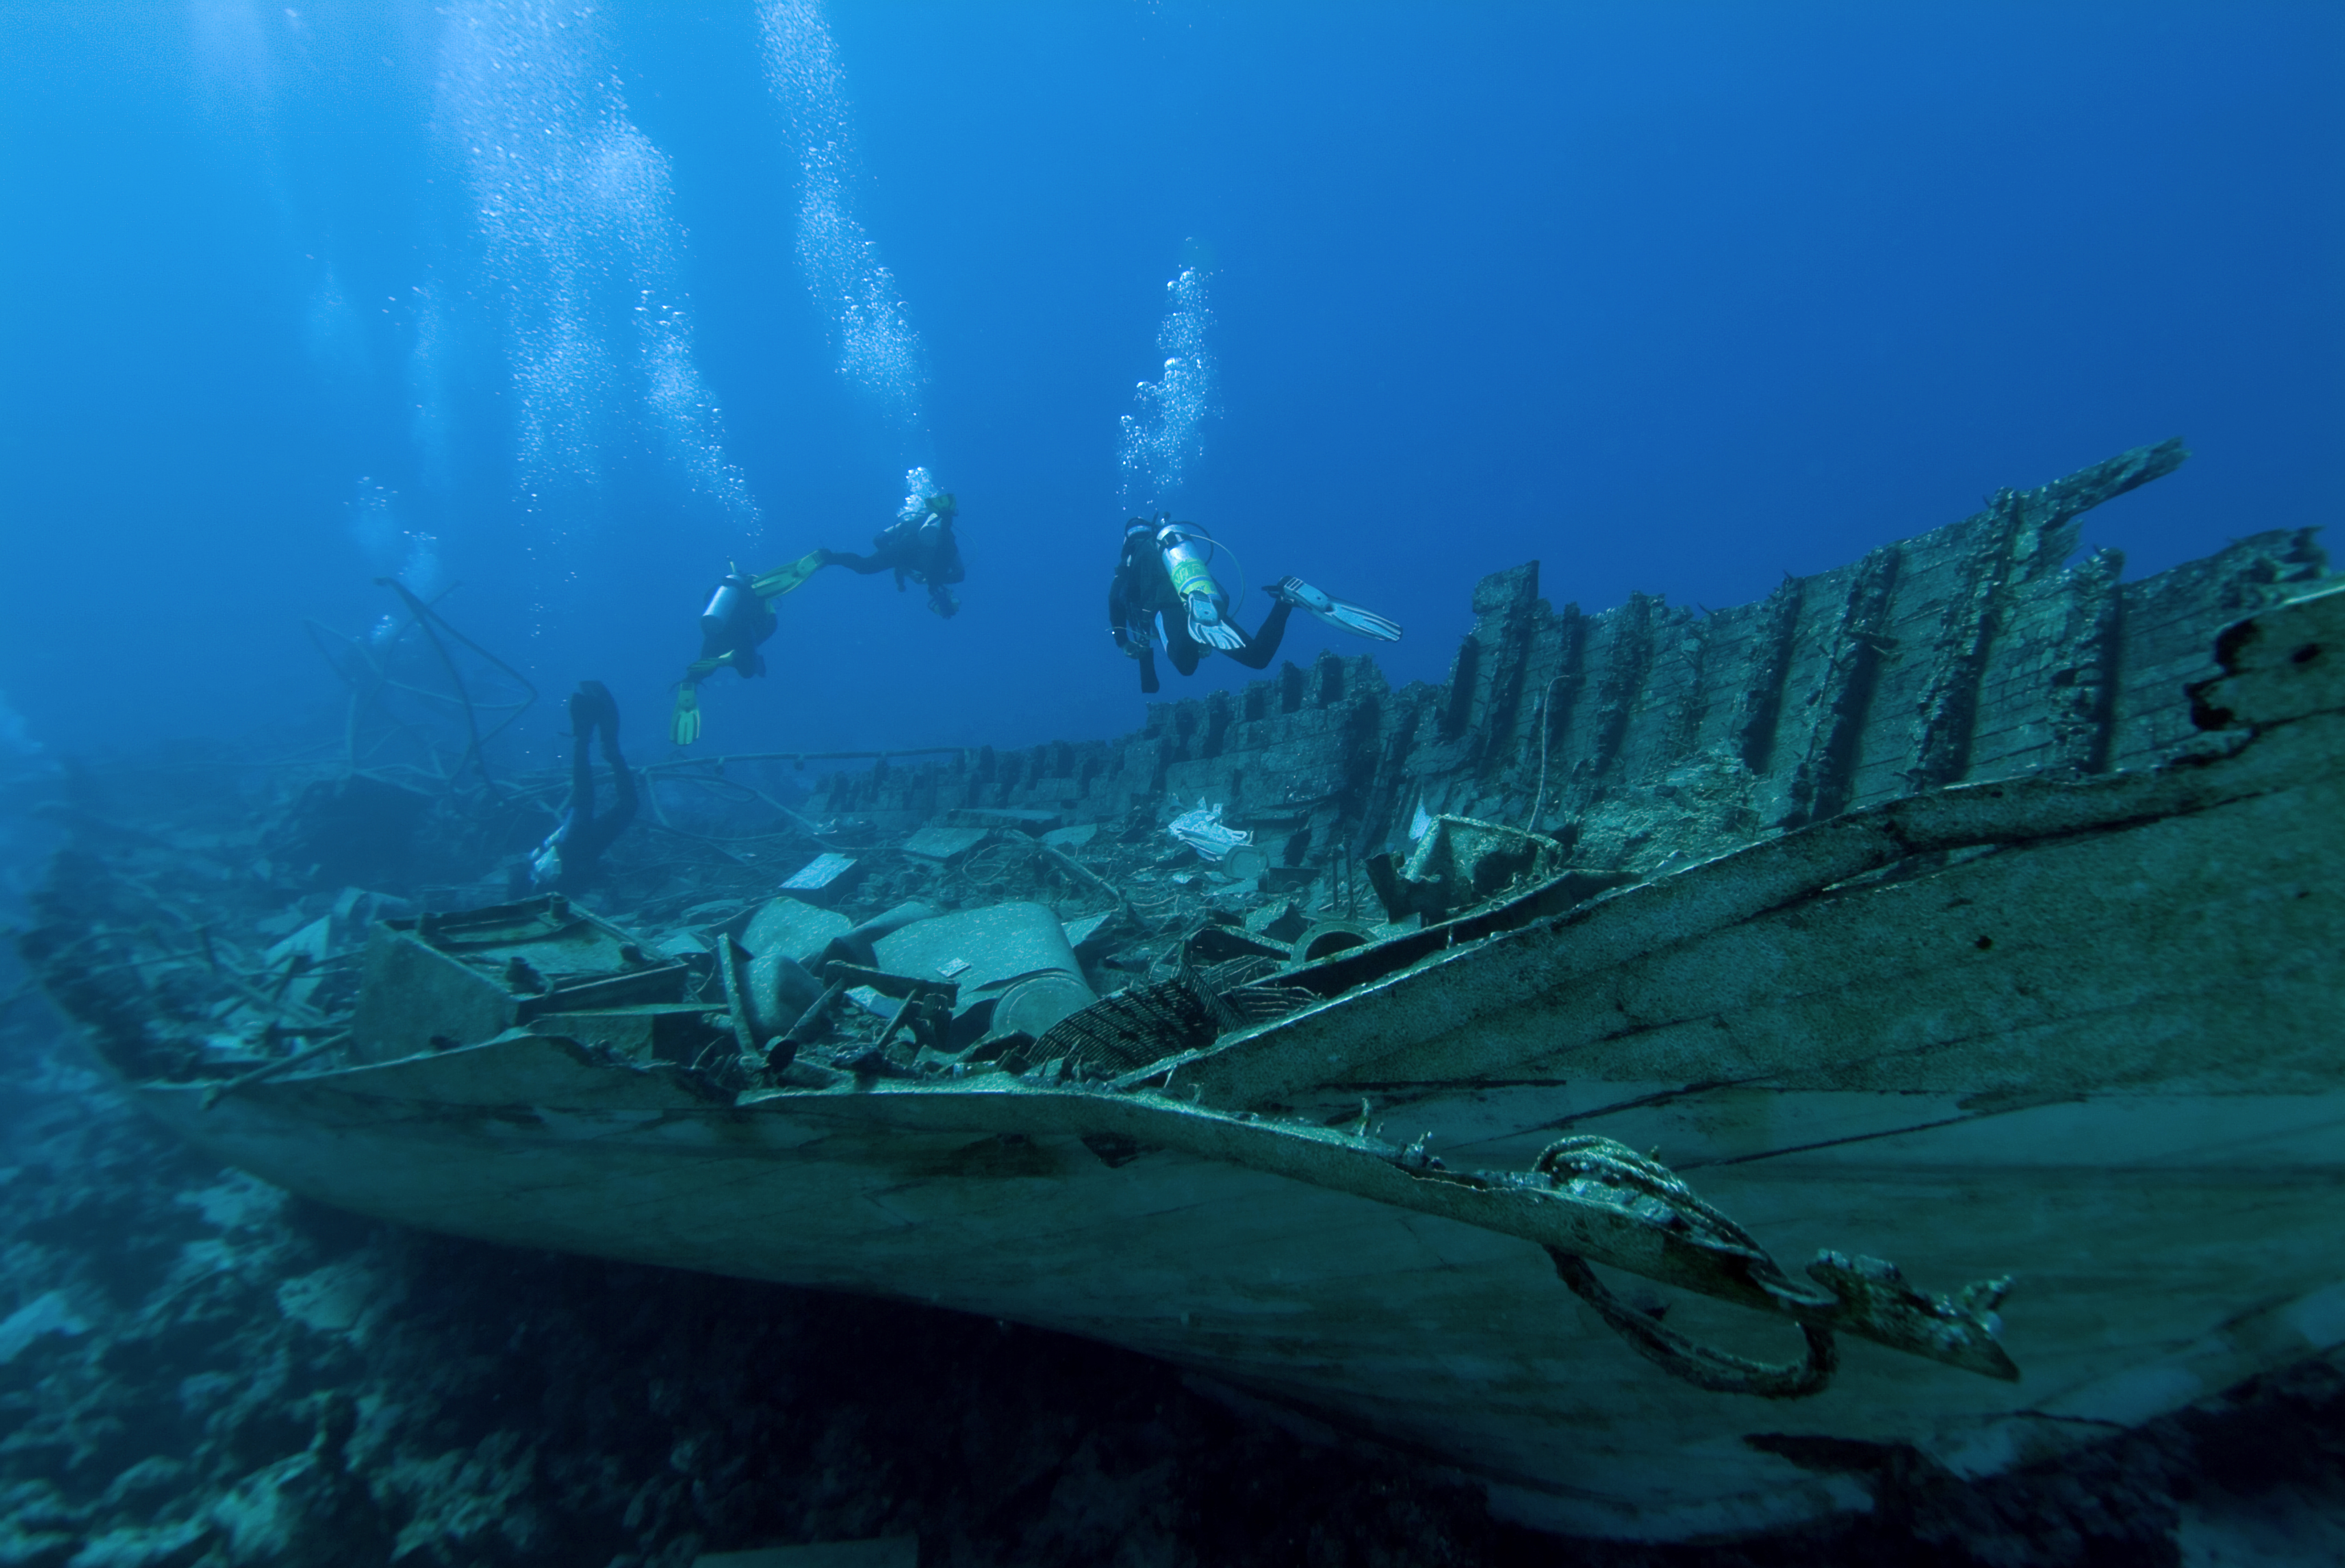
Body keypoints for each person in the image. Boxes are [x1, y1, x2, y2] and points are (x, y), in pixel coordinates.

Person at [1107, 515, 1401, 694]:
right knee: (1258, 657)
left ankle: (1198, 627)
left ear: (1127, 541)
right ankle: (1285, 599)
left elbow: (1115, 600)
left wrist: (1122, 641)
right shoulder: (1170, 549)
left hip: (1163, 609)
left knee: (1186, 666)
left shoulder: (1130, 561)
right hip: (1203, 595)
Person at [529, 681, 638, 893]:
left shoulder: (529, 886)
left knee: (585, 802)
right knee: (627, 806)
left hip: (570, 851)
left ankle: (585, 735)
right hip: (585, 855)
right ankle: (609, 749)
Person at [818, 487, 964, 618]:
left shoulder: (909, 524)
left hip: (903, 550)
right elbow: (959, 573)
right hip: (928, 558)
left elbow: (879, 540)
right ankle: (947, 521)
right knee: (936, 577)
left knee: (865, 566)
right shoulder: (946, 537)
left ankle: (828, 557)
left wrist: (895, 559)